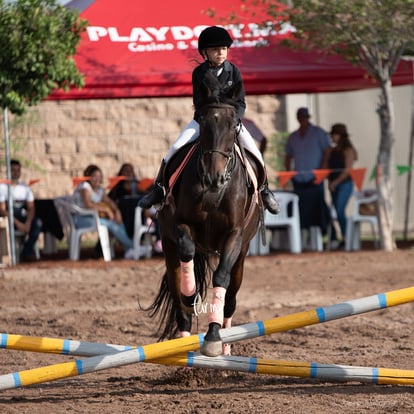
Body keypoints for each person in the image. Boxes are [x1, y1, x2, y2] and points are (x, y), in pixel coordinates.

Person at [138, 26, 279, 214]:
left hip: (230, 123)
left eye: (223, 49)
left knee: (255, 153)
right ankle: (158, 188)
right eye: (215, 50)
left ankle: (265, 191)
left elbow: (241, 103)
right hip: (203, 122)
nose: (220, 53)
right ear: (205, 52)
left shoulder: (234, 71)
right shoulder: (199, 73)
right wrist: (210, 118)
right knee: (174, 148)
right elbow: (199, 102)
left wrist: (232, 121)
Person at [284, 107, 332, 238]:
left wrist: (321, 170)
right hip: (299, 179)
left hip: (315, 178)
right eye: (300, 116)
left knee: (319, 207)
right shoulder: (293, 137)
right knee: (300, 209)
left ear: (308, 118)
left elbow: (328, 151)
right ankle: (302, 236)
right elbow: (288, 156)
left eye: (305, 116)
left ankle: (326, 234)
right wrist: (289, 174)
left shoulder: (319, 133)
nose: (302, 119)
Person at [72, 164, 134, 259]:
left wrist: (117, 211)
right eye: (94, 176)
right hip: (81, 219)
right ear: (89, 177)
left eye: (99, 176)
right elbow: (88, 204)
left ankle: (129, 250)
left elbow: (109, 201)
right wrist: (106, 210)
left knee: (116, 220)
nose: (97, 179)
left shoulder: (99, 189)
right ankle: (132, 247)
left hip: (93, 218)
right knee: (111, 224)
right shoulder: (85, 187)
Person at [108, 163, 163, 254]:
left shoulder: (138, 185)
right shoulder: (117, 187)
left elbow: (148, 195)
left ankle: (155, 240)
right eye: (126, 170)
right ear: (121, 172)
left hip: (140, 214)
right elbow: (111, 199)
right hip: (124, 216)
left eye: (131, 170)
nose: (129, 173)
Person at [323, 123, 358, 246]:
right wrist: (330, 182)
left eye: (333, 134)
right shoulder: (332, 151)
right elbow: (328, 168)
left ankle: (347, 237)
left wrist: (335, 182)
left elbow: (346, 170)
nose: (332, 137)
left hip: (344, 184)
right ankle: (343, 237)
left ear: (339, 135)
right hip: (334, 185)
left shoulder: (348, 150)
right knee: (335, 212)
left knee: (339, 210)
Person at [0, 159, 42, 262]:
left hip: (23, 216)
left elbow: (31, 208)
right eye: (13, 170)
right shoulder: (2, 187)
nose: (15, 173)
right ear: (8, 171)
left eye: (18, 170)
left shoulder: (25, 188)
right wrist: (17, 223)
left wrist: (27, 223)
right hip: (9, 217)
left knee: (37, 223)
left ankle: (27, 251)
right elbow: (2, 209)